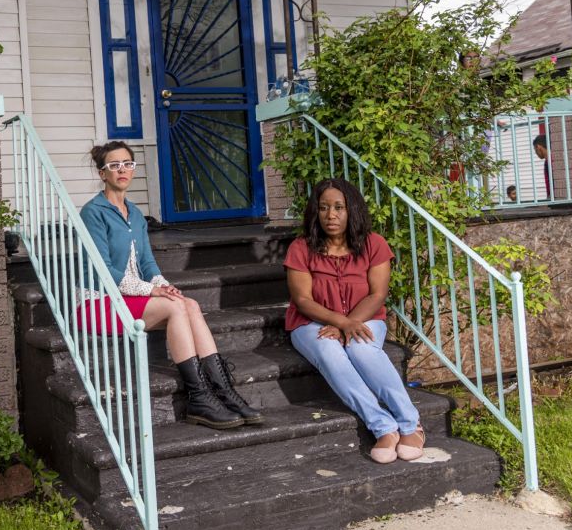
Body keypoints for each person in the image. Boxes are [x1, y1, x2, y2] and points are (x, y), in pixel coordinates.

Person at [80, 141, 262, 430]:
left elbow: (148, 264)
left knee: (188, 303)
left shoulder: (136, 214)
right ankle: (199, 397)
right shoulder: (93, 212)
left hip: (129, 299)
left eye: (127, 163)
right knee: (175, 309)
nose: (122, 170)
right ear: (103, 174)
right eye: (114, 165)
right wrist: (151, 291)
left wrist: (165, 285)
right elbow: (104, 270)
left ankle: (224, 391)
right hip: (98, 302)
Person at [283, 179, 424, 463]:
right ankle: (383, 427)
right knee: (328, 350)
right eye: (323, 208)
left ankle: (411, 424)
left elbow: (377, 294)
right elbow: (304, 300)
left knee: (361, 348)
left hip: (366, 316)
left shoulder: (374, 244)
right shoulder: (302, 248)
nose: (331, 215)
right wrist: (339, 322)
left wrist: (347, 324)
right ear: (315, 212)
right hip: (310, 322)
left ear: (352, 210)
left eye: (339, 207)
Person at [532, 133, 551, 199]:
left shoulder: (552, 161)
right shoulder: (547, 161)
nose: (535, 152)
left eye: (535, 149)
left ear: (538, 147)